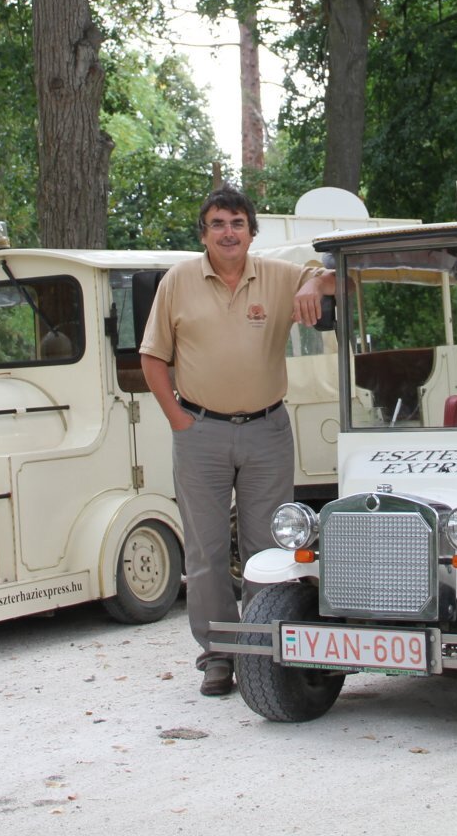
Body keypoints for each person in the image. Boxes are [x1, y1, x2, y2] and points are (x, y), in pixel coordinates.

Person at [139, 186, 335, 697]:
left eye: (237, 223)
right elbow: (152, 357)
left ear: (251, 232)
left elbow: (340, 278)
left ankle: (263, 651)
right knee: (205, 551)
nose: (229, 232)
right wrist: (178, 420)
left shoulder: (277, 275)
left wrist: (315, 282)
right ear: (203, 234)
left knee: (267, 547)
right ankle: (219, 655)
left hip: (267, 431)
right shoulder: (178, 281)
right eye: (218, 223)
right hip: (199, 432)